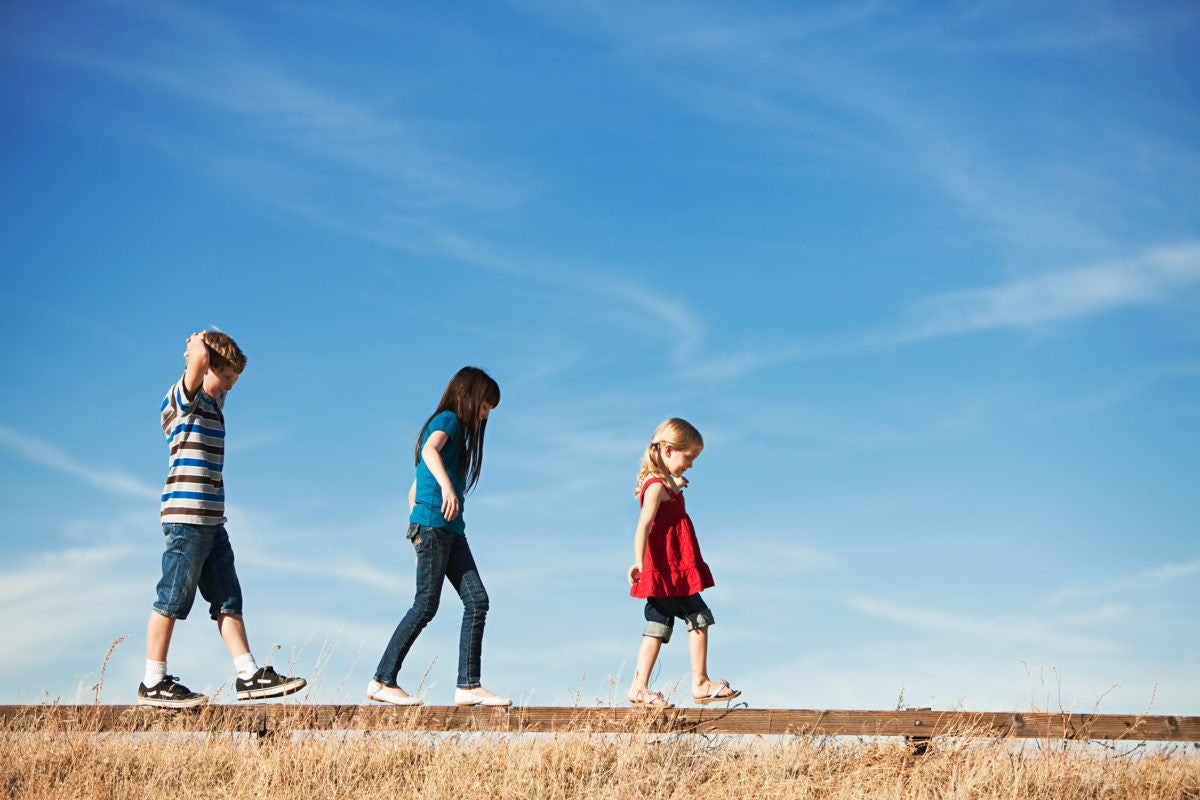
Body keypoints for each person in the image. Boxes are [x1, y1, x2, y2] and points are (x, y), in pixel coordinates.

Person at [138, 331, 307, 708]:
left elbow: (213, 371)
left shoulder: (213, 405)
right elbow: (198, 362)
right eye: (226, 376)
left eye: (234, 379)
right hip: (186, 519)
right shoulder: (186, 400)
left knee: (228, 596)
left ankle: (248, 675)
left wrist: (218, 363)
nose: (230, 385)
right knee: (172, 597)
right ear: (205, 368)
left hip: (213, 523)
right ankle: (153, 681)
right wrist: (196, 344)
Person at [368, 366, 510, 707]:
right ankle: (381, 680)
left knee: (477, 600)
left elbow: (415, 484)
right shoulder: (448, 419)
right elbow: (430, 452)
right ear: (468, 396)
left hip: (448, 529)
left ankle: (468, 685)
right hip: (435, 528)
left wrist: (418, 513)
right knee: (425, 605)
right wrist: (445, 490)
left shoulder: (458, 433)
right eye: (484, 405)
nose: (486, 414)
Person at [626, 418, 741, 707]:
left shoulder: (664, 484)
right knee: (698, 616)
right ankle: (700, 682)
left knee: (658, 623)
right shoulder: (654, 487)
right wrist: (639, 562)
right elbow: (644, 525)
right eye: (687, 458)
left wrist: (675, 483)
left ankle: (639, 687)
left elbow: (669, 493)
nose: (690, 465)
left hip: (672, 569)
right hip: (668, 570)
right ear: (667, 450)